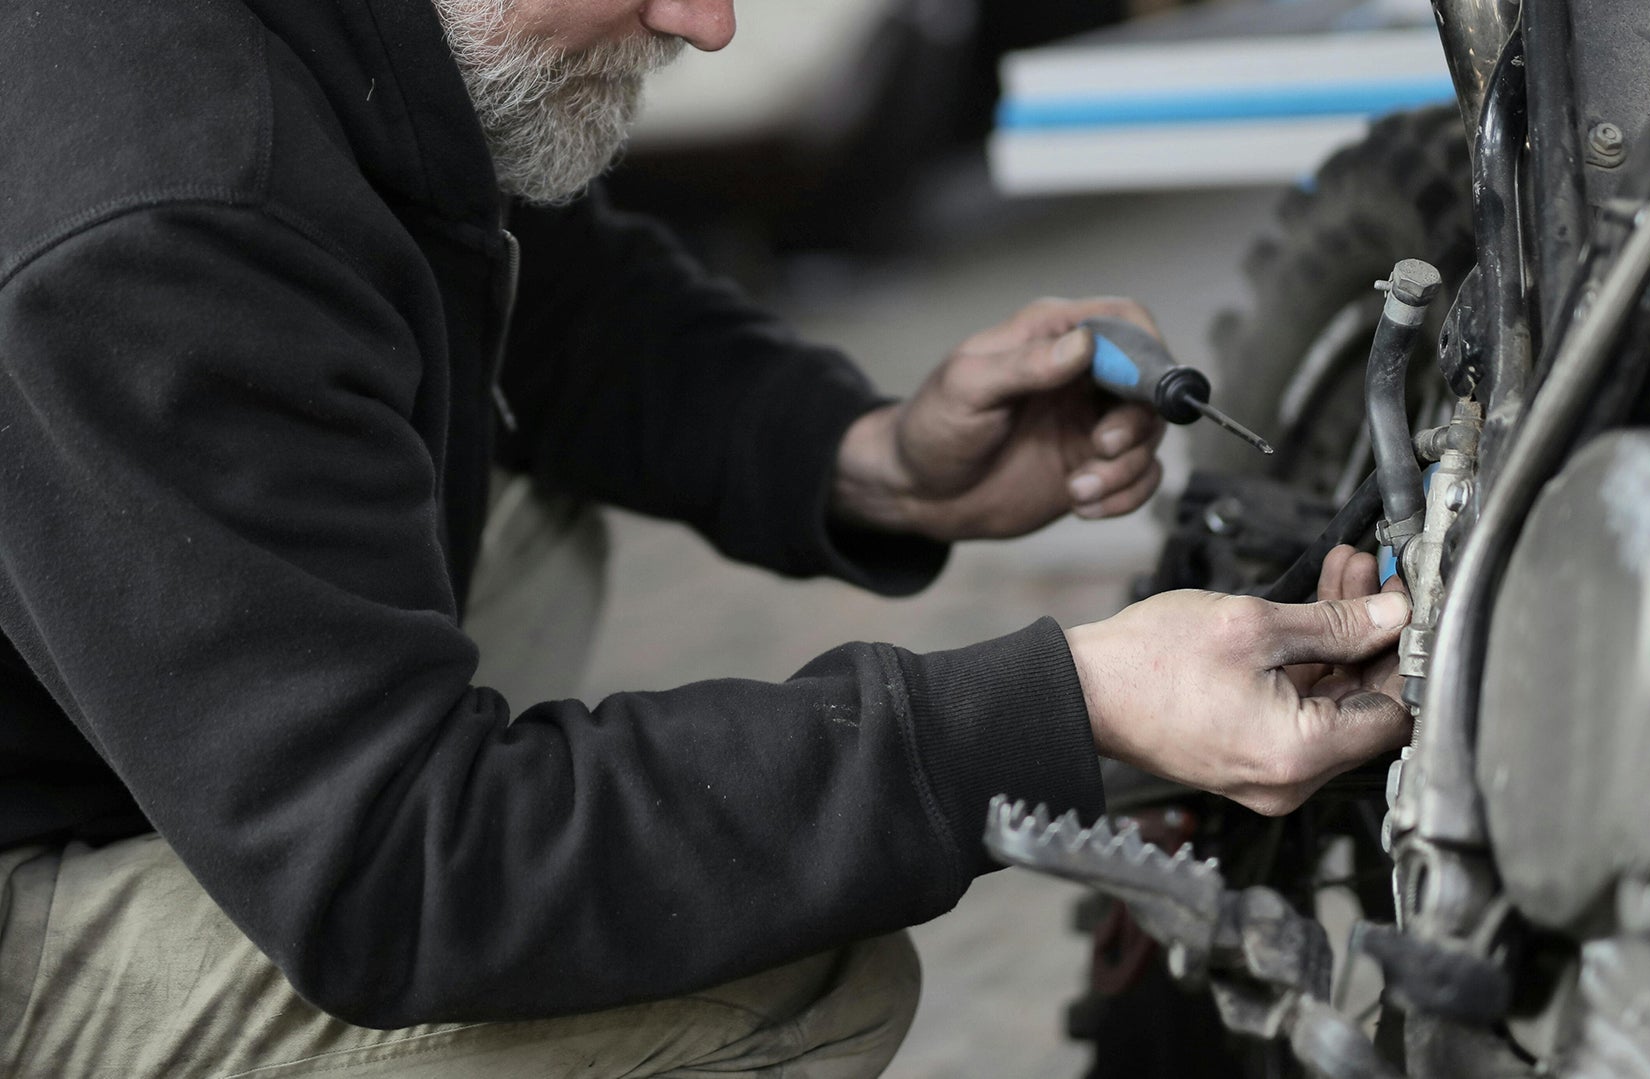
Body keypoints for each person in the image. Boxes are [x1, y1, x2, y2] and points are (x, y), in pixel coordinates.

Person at [0, 0, 1412, 1074]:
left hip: (139, 702)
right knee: (786, 981)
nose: (709, 22)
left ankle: (265, 786)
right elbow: (405, 871)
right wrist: (1067, 706)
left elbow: (540, 293)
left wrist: (874, 460)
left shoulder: (348, 53)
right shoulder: (164, 219)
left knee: (532, 505)